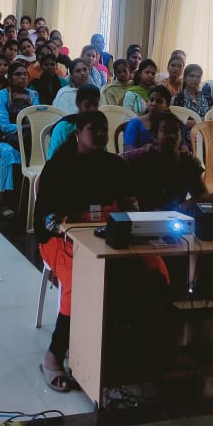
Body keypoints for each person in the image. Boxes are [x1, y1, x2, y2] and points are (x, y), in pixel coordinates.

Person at [33, 110, 145, 392]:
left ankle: (130, 350)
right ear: (78, 134)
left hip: (107, 234)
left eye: (104, 129)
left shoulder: (114, 165)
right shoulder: (59, 167)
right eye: (93, 129)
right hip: (60, 240)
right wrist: (73, 229)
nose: (101, 134)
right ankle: (53, 356)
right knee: (79, 281)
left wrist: (132, 219)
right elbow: (46, 219)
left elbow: (130, 203)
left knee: (152, 266)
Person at [0, 61, 39, 218]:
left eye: (24, 74)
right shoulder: (1, 96)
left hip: (24, 138)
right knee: (8, 153)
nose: (22, 77)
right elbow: (4, 126)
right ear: (10, 78)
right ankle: (4, 202)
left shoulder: (33, 95)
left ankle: (31, 200)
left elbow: (36, 120)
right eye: (18, 74)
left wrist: (26, 127)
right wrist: (25, 126)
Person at [123, 112, 210, 213]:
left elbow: (203, 196)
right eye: (165, 131)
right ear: (155, 136)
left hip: (176, 217)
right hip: (145, 216)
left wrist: (182, 207)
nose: (171, 136)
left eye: (175, 131)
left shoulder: (188, 162)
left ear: (181, 136)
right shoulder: (141, 158)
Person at [45, 84, 102, 160]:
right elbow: (52, 161)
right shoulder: (63, 128)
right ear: (77, 103)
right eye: (87, 105)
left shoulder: (99, 128)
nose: (92, 110)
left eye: (95, 105)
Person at [122, 86, 176, 150]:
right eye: (151, 100)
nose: (153, 104)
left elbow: (182, 147)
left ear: (167, 106)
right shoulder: (135, 124)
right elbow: (127, 151)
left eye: (159, 101)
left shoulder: (172, 124)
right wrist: (143, 150)